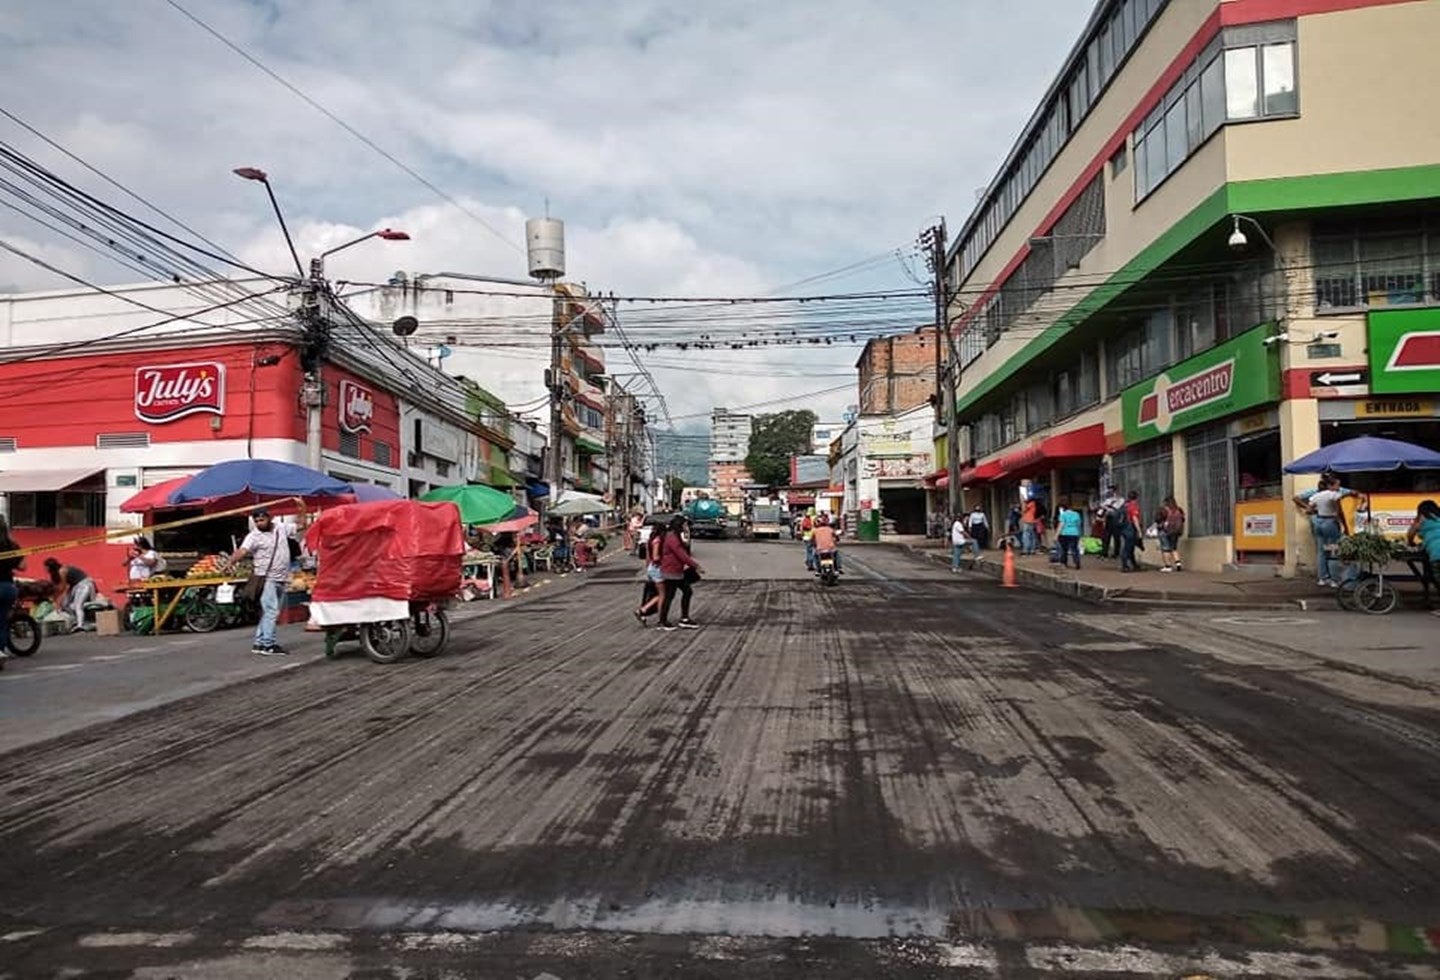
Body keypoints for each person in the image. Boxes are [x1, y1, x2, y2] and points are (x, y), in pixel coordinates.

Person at [223, 508, 293, 655]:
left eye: (262, 520)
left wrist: (302, 508)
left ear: (269, 518)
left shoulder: (280, 528)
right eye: (257, 521)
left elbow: (301, 525)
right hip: (266, 578)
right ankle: (268, 644)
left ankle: (260, 643)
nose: (259, 523)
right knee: (271, 611)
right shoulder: (253, 536)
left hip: (281, 577)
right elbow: (242, 550)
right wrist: (230, 562)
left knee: (268, 612)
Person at [658, 515, 703, 631]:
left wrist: (687, 534)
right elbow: (681, 554)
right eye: (685, 525)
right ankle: (663, 621)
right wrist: (695, 566)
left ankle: (684, 618)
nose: (686, 527)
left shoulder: (675, 536)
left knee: (686, 592)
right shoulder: (672, 538)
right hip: (671, 571)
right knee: (670, 595)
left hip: (677, 571)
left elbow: (685, 548)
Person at [1302, 476, 1349, 587]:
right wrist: (1345, 526)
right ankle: (1334, 579)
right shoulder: (1334, 495)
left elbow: (1308, 510)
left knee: (1321, 551)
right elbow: (1340, 512)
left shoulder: (1316, 496)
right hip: (1330, 522)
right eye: (1337, 485)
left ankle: (1322, 578)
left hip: (1318, 522)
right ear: (1330, 485)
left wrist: (1318, 511)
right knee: (1333, 549)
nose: (1338, 487)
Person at [43, 557, 96, 634]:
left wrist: (58, 601)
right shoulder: (55, 574)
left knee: (78, 605)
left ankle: (80, 625)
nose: (45, 570)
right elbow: (57, 588)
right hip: (75, 587)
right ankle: (75, 620)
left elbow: (63, 587)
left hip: (83, 585)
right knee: (66, 604)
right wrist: (55, 600)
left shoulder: (62, 571)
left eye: (46, 567)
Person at [1405, 499, 1440, 612]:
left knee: (1437, 578)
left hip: (1437, 553)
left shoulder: (1422, 518)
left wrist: (1411, 542)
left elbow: (1410, 534)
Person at [635, 521, 668, 623]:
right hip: (657, 569)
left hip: (651, 568)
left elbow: (648, 557)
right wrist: (664, 560)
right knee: (663, 594)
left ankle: (644, 610)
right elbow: (655, 556)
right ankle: (647, 612)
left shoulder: (650, 540)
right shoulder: (658, 540)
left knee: (656, 593)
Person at [0, 516, 22, 666]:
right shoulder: (12, 545)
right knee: (1, 623)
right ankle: (0, 652)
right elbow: (23, 566)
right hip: (9, 588)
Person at [1158, 495, 1186, 572]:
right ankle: (1178, 564)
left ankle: (1168, 566)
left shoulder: (1164, 510)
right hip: (1176, 532)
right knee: (1174, 548)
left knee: (1165, 549)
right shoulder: (1179, 510)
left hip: (1165, 531)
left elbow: (1158, 519)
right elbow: (1183, 519)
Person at [1119, 490, 1143, 572]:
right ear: (1136, 497)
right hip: (1130, 528)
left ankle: (1133, 564)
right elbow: (1134, 518)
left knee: (1130, 546)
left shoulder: (1125, 505)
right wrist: (1139, 531)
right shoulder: (1133, 506)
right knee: (1128, 547)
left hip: (1123, 528)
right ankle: (1125, 565)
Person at [1096, 486, 1123, 559]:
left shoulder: (1120, 500)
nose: (1110, 493)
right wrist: (1106, 507)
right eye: (1109, 491)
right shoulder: (1107, 500)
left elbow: (1117, 508)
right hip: (1108, 519)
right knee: (1106, 536)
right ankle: (1104, 553)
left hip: (1116, 519)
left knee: (1116, 537)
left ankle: (1116, 553)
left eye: (1112, 491)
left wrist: (1108, 506)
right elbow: (1102, 507)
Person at [1056, 502, 1084, 569]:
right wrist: (1080, 534)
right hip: (1074, 533)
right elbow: (1078, 525)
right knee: (1074, 549)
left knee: (1064, 549)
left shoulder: (1063, 515)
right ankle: (1077, 562)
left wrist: (1056, 535)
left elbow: (1061, 525)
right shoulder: (1077, 514)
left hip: (1064, 533)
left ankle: (1064, 563)